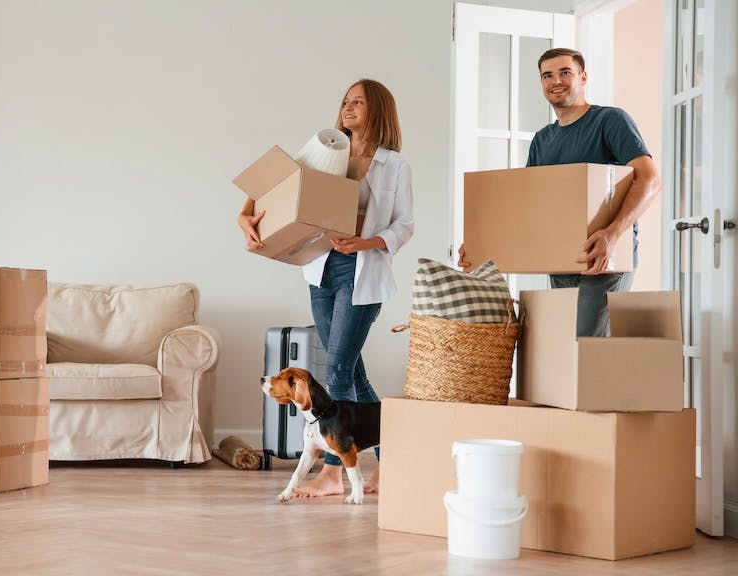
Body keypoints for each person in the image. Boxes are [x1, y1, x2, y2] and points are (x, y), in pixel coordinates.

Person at [239, 79, 414, 497]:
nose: (348, 108)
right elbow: (272, 187)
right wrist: (244, 217)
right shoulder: (326, 151)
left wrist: (366, 242)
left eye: (359, 102)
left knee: (336, 370)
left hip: (363, 273)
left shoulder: (394, 164)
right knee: (351, 371)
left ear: (380, 111)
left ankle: (334, 470)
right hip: (321, 270)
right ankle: (397, 461)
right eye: (345, 101)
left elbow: (404, 225)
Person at [458, 48, 660, 337]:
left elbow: (650, 179)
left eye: (565, 72)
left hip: (603, 260)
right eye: (547, 75)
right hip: (560, 260)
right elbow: (528, 206)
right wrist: (482, 244)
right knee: (566, 352)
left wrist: (613, 234)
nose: (556, 81)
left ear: (583, 77)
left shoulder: (610, 121)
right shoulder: (542, 140)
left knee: (586, 345)